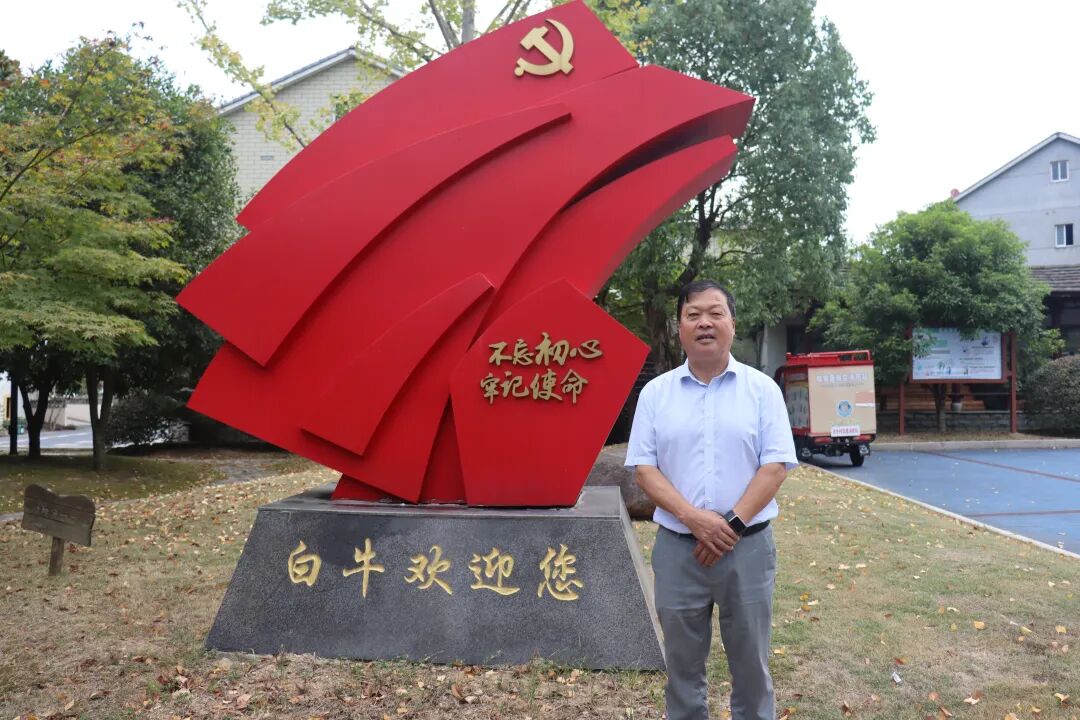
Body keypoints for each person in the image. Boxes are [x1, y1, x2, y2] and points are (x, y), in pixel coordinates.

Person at [625, 279, 797, 720]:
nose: (705, 322)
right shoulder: (655, 394)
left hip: (748, 549)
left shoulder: (762, 390)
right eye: (693, 314)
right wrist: (694, 519)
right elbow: (644, 469)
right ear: (679, 327)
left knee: (752, 665)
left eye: (715, 313)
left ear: (732, 324)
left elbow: (775, 466)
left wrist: (730, 526)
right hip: (679, 551)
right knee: (682, 668)